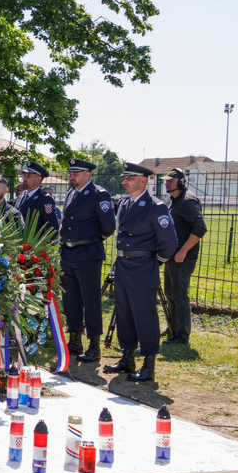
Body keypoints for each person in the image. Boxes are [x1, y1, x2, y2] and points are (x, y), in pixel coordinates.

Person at [103, 163, 178, 382]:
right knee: (124, 314)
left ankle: (148, 365)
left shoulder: (155, 207)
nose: (124, 181)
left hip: (143, 268)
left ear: (143, 180)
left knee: (145, 317)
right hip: (124, 266)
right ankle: (127, 358)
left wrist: (154, 262)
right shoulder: (125, 204)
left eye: (129, 178)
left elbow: (169, 243)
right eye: (124, 178)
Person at [59, 159, 117, 362]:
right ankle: (74, 340)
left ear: (87, 174)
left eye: (75, 173)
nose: (72, 177)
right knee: (70, 299)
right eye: (70, 174)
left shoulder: (98, 194)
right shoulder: (71, 193)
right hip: (68, 253)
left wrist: (90, 239)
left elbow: (109, 226)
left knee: (91, 301)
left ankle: (94, 345)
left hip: (88, 253)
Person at [162, 168, 207, 346]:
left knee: (179, 295)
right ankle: (173, 328)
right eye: (166, 181)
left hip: (182, 258)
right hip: (171, 257)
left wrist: (184, 251)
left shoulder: (188, 201)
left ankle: (182, 335)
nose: (167, 183)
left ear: (180, 182)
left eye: (170, 180)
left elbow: (200, 228)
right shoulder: (174, 200)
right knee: (170, 294)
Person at [13, 161, 59, 235]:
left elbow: (52, 228)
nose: (24, 179)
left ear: (38, 179)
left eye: (28, 176)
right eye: (24, 175)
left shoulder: (44, 199)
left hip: (33, 241)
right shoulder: (21, 196)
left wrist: (42, 241)